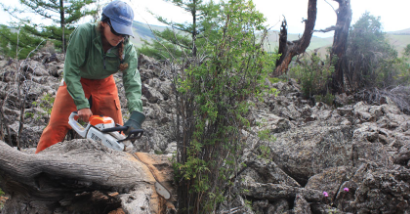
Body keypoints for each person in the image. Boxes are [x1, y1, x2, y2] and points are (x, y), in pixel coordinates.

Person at [35, 0, 145, 153]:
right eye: (116, 31)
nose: (119, 36)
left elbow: (132, 81)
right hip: (77, 80)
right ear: (104, 23)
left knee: (117, 134)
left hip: (105, 84)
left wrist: (136, 114)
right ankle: (40, 167)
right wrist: (82, 103)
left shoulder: (127, 48)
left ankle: (114, 171)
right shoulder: (84, 33)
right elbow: (71, 71)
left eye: (123, 32)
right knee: (56, 128)